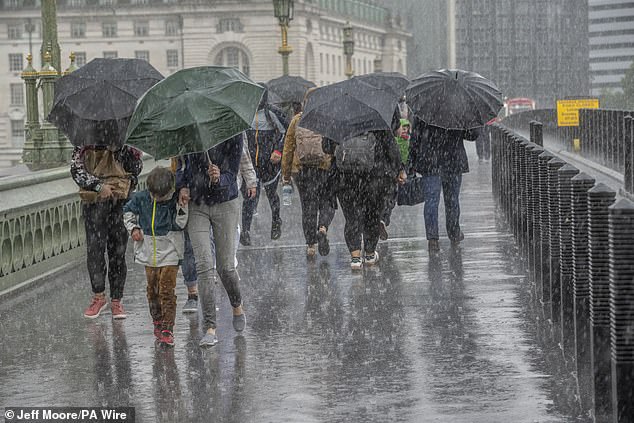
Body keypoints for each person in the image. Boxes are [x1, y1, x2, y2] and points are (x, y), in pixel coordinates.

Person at [176, 134, 246, 348]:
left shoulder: (232, 132)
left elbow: (233, 172)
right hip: (198, 205)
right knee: (204, 266)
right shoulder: (188, 133)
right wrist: (183, 186)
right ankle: (210, 327)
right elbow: (182, 166)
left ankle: (237, 304)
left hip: (226, 203)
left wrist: (220, 177)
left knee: (225, 267)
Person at [70, 144, 143, 319]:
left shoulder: (125, 141)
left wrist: (121, 151)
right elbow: (76, 170)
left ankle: (116, 300)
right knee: (95, 250)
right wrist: (98, 186)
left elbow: (136, 169)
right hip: (94, 203)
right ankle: (98, 296)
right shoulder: (84, 142)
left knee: (118, 251)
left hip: (119, 202)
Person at [322, 120, 402, 270]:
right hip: (375, 178)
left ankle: (355, 258)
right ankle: (370, 254)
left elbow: (326, 146)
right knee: (372, 216)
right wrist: (399, 169)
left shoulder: (337, 117)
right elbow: (392, 148)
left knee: (352, 218)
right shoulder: (376, 118)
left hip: (345, 178)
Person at [123, 166, 188, 347]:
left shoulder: (175, 200)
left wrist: (182, 208)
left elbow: (180, 224)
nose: (158, 199)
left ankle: (168, 328)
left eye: (162, 196)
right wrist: (134, 228)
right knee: (152, 290)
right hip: (148, 251)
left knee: (166, 290)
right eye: (155, 195)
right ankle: (157, 320)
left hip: (170, 251)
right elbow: (127, 212)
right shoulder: (141, 198)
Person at [409, 118, 481, 252]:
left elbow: (415, 138)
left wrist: (411, 165)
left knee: (431, 200)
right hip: (453, 160)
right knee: (452, 199)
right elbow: (472, 135)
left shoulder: (424, 107)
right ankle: (454, 233)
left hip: (430, 161)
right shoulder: (458, 106)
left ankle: (432, 239)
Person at [281, 94, 336, 258]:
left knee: (308, 206)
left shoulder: (297, 119)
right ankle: (323, 227)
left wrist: (285, 174)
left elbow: (288, 148)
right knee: (328, 200)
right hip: (324, 168)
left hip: (302, 170)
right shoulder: (328, 118)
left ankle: (311, 244)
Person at [241, 92, 286, 245]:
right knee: (249, 197)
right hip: (252, 165)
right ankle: (245, 231)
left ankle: (276, 221)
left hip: (270, 165)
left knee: (272, 195)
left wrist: (278, 151)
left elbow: (285, 133)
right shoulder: (245, 114)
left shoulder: (271, 113)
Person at [380, 118, 410, 240]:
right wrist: (401, 170)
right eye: (402, 127)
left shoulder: (404, 140)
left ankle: (380, 220)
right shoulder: (392, 139)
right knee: (390, 196)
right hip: (390, 172)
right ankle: (382, 219)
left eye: (407, 128)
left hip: (382, 170)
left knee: (386, 197)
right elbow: (396, 155)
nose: (404, 130)